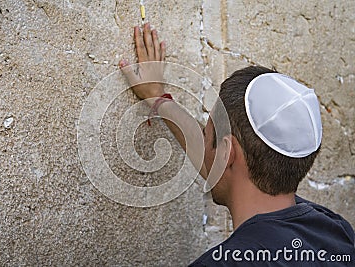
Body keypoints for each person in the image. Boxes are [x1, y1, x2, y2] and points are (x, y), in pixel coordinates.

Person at [119, 23, 355, 266]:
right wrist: (159, 99)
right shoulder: (334, 232)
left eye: (207, 131)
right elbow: (218, 159)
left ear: (226, 153)